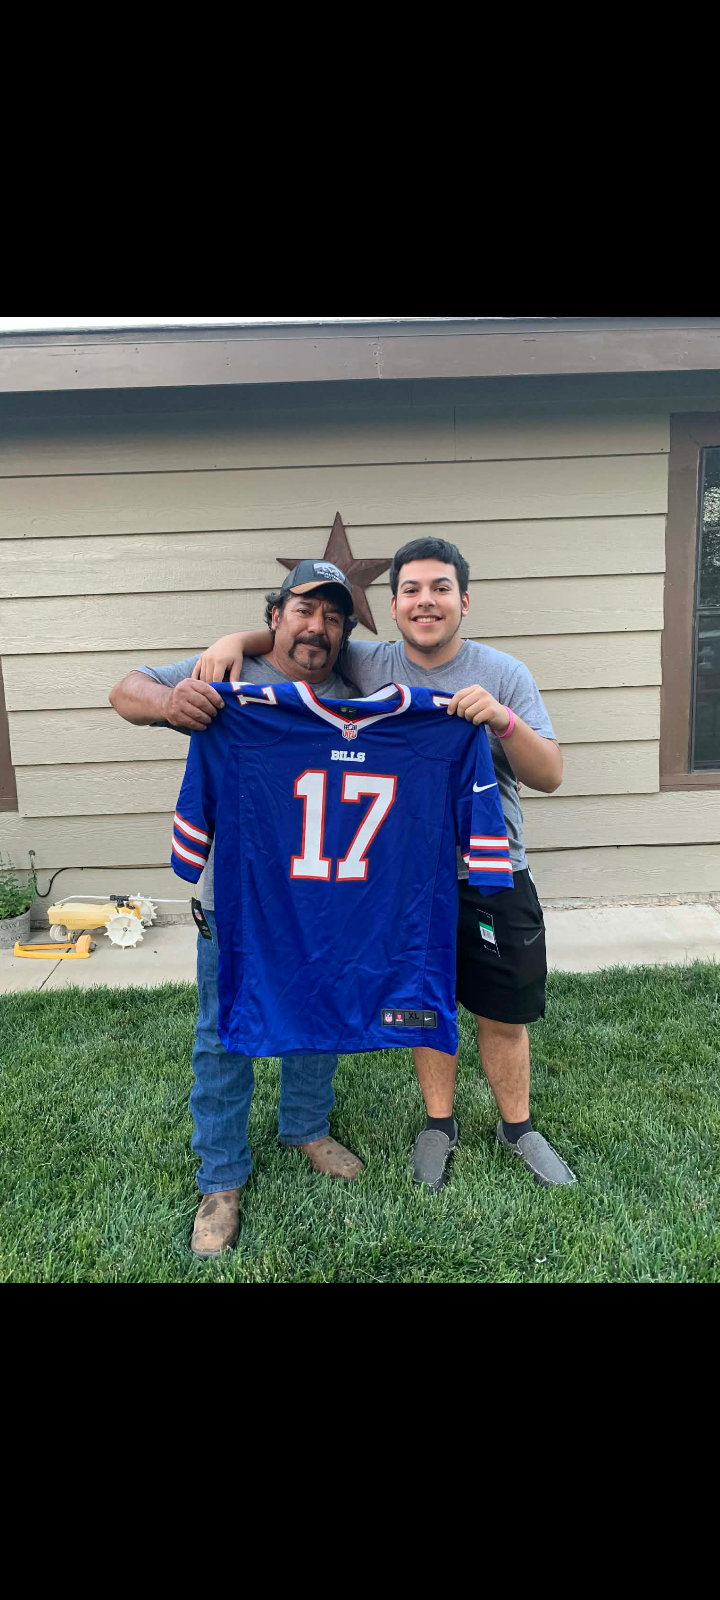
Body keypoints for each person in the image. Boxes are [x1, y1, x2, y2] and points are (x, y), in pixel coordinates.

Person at [196, 536, 576, 1192]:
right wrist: (236, 640)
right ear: (393, 606)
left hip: (491, 869)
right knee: (423, 994)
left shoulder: (504, 673)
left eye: (440, 589)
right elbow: (301, 639)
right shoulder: (366, 662)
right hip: (404, 875)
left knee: (502, 1009)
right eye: (411, 590)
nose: (426, 601)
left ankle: (518, 1127)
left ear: (463, 601)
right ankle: (438, 1124)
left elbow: (551, 775)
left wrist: (501, 722)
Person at [109, 562, 365, 1258]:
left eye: (332, 617)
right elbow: (125, 690)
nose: (317, 627)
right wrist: (172, 703)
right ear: (275, 616)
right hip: (238, 901)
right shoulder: (229, 674)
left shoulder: (356, 691)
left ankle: (305, 1127)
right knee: (222, 1034)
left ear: (345, 630)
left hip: (323, 898)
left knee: (316, 1017)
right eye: (303, 610)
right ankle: (220, 1178)